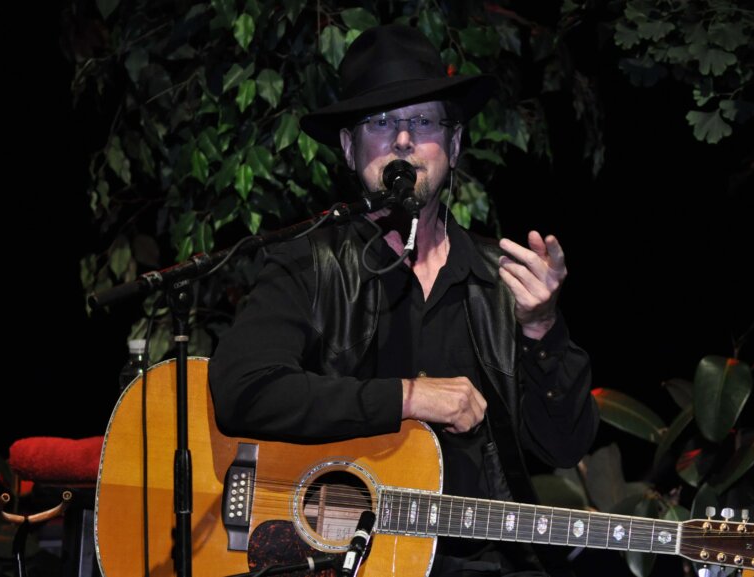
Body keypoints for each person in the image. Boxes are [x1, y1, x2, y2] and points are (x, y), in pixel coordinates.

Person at [209, 23, 598, 577]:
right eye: (381, 123)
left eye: (423, 121)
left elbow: (564, 446)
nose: (403, 140)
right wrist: (408, 397)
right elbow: (242, 391)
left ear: (455, 145)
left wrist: (542, 329)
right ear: (349, 148)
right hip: (333, 563)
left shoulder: (501, 281)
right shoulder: (308, 266)